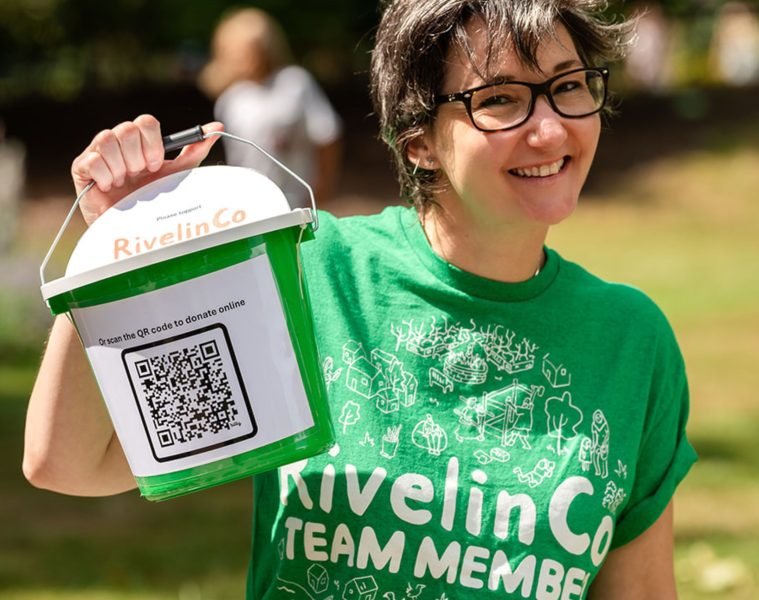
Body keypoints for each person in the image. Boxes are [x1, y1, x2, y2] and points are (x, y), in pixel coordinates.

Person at [24, 1, 697, 597]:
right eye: (500, 100)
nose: (550, 129)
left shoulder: (631, 340)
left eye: (569, 87)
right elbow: (71, 463)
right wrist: (121, 238)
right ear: (420, 143)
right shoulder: (311, 277)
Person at [198, 7, 343, 207]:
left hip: (298, 199)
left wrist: (323, 188)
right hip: (253, 203)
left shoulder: (294, 83)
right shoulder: (230, 99)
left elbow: (327, 136)